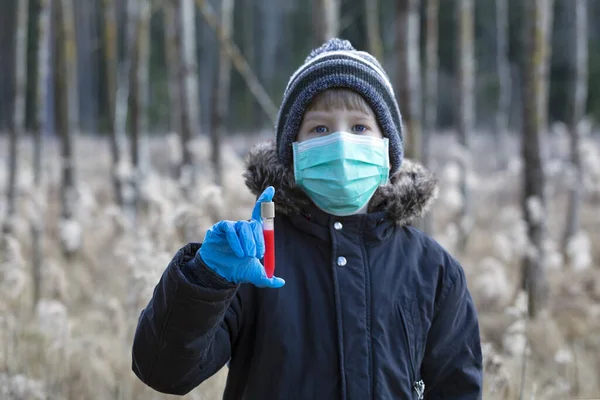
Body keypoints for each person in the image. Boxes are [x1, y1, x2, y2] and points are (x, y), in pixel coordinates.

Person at [131, 38, 483, 399]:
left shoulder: (433, 271)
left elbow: (458, 389)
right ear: (293, 152)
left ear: (386, 148)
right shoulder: (254, 260)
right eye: (320, 129)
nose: (342, 144)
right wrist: (205, 279)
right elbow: (163, 371)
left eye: (360, 127)